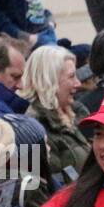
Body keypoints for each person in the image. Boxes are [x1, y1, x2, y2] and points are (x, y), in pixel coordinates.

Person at [18, 44, 89, 183]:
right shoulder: (36, 128)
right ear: (49, 80)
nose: (78, 83)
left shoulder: (73, 114)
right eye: (71, 77)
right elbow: (54, 186)